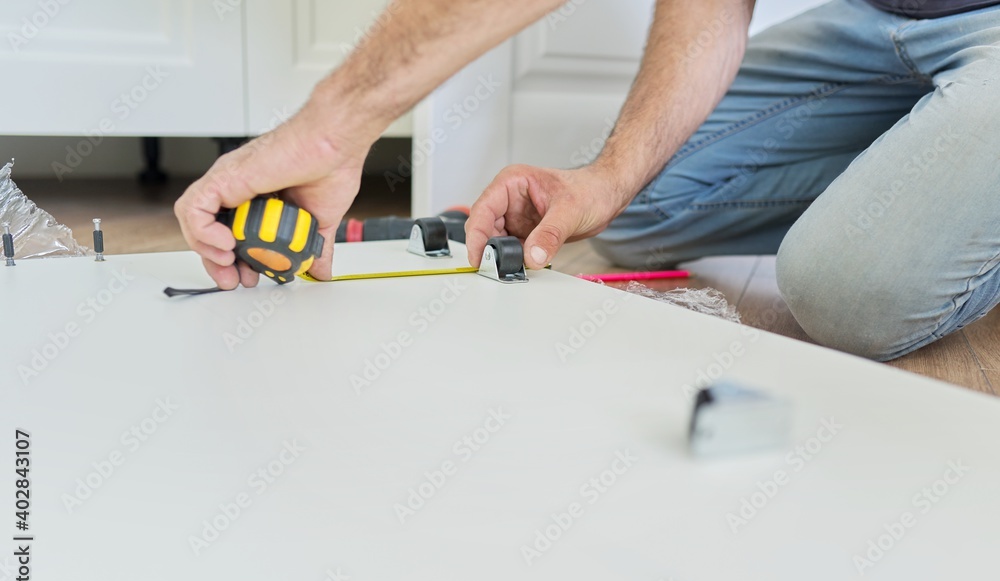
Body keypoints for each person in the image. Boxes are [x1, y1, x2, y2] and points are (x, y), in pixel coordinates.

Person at [174, 0, 1000, 361]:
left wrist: (333, 123)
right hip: (890, 23)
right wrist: (607, 177)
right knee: (638, 209)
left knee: (845, 290)